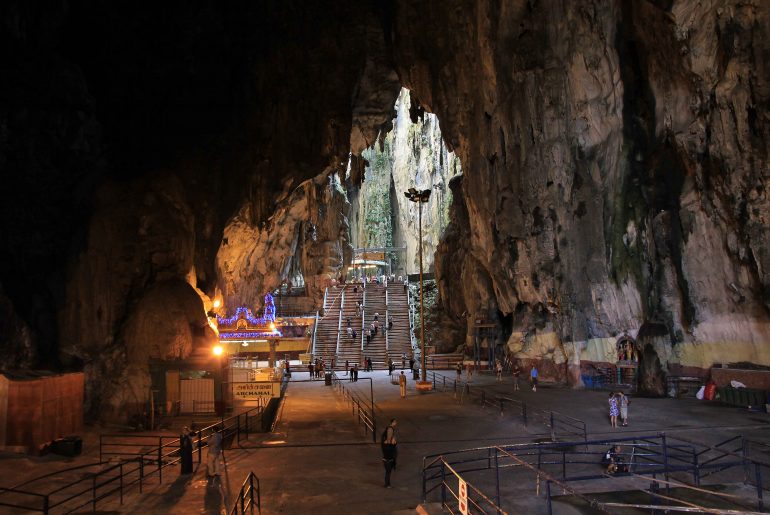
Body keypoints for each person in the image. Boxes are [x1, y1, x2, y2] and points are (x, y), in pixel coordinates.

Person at [381, 418, 398, 487]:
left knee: (388, 472)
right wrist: (391, 442)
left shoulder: (386, 445)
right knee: (388, 472)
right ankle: (387, 484)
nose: (396, 423)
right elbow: (390, 439)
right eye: (395, 422)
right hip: (388, 459)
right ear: (393, 422)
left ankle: (387, 484)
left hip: (386, 459)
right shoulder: (390, 429)